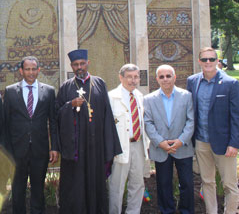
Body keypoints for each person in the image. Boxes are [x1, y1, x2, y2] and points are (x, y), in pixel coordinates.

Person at [56, 49, 121, 213]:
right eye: (76, 65)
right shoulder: (65, 87)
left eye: (82, 63)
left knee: (95, 182)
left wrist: (110, 146)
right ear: (71, 66)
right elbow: (56, 115)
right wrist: (70, 105)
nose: (79, 67)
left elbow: (107, 115)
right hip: (76, 147)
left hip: (96, 146)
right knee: (76, 184)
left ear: (87, 63)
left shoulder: (99, 83)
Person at [187, 47, 239, 214]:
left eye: (211, 59)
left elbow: (237, 117)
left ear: (217, 61)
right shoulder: (192, 81)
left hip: (224, 144)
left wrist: (234, 143)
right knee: (207, 182)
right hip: (201, 141)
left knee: (229, 184)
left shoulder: (230, 83)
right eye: (204, 59)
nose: (208, 63)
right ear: (199, 61)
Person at [4, 56, 58, 214]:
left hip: (39, 150)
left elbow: (53, 121)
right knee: (18, 190)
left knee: (38, 190)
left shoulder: (48, 91)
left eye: (34, 69)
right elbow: (5, 124)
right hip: (16, 151)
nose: (31, 72)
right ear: (21, 71)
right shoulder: (10, 91)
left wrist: (54, 147)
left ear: (39, 70)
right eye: (27, 69)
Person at [144, 64, 194, 214]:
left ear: (174, 77)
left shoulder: (186, 96)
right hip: (161, 148)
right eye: (161, 77)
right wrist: (160, 142)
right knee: (163, 183)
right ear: (157, 79)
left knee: (186, 183)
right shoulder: (149, 99)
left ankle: (186, 210)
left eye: (168, 76)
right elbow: (148, 123)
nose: (165, 79)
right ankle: (167, 210)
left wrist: (181, 141)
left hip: (182, 147)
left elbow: (191, 121)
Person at [107, 63, 150, 214]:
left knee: (137, 184)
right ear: (121, 77)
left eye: (136, 77)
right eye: (129, 77)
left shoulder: (139, 96)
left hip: (138, 145)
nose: (133, 80)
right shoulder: (111, 97)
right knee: (116, 186)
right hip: (120, 147)